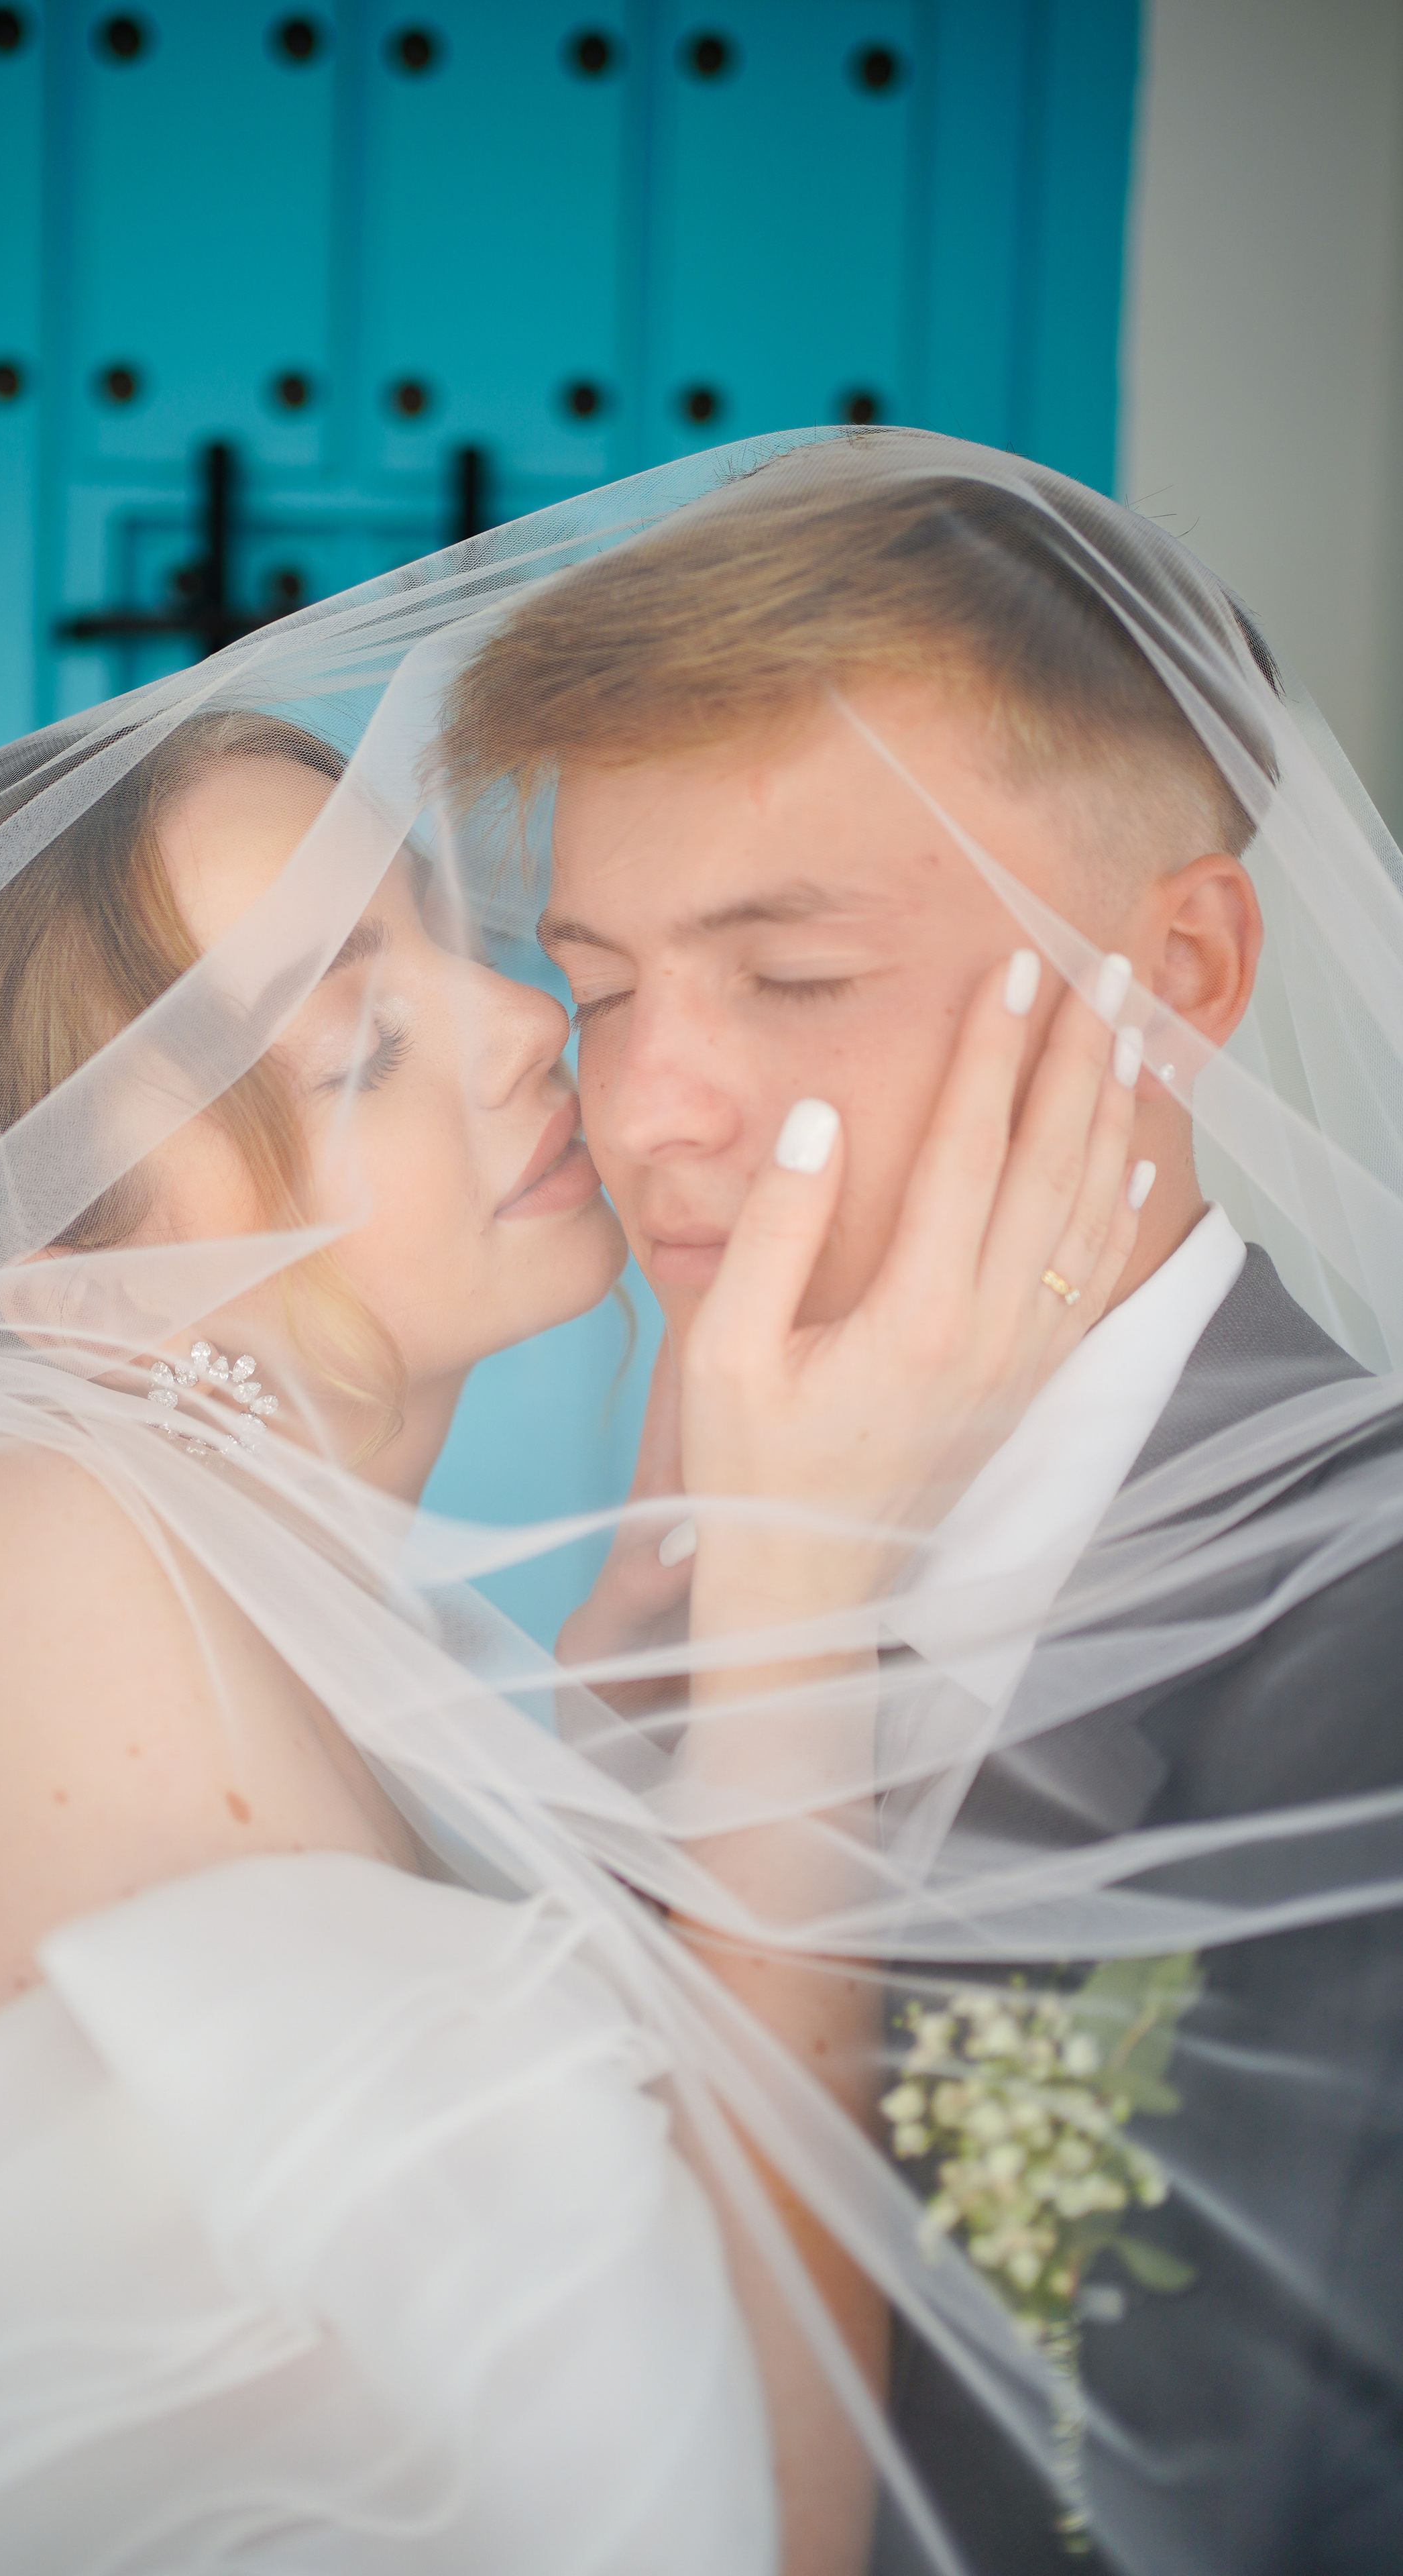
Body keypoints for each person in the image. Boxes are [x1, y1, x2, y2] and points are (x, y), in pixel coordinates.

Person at [0, 668, 1137, 2576]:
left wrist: (637, 1688)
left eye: (455, 934)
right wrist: (800, 1600)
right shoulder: (52, 1598)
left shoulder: (226, 1583)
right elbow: (739, 2529)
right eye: (358, 1048)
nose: (532, 1024)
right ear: (84, 1297)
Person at [440, 442, 1403, 2573]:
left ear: (1188, 970)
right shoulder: (664, 1593)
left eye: (788, 979)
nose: (642, 1109)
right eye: (597, 988)